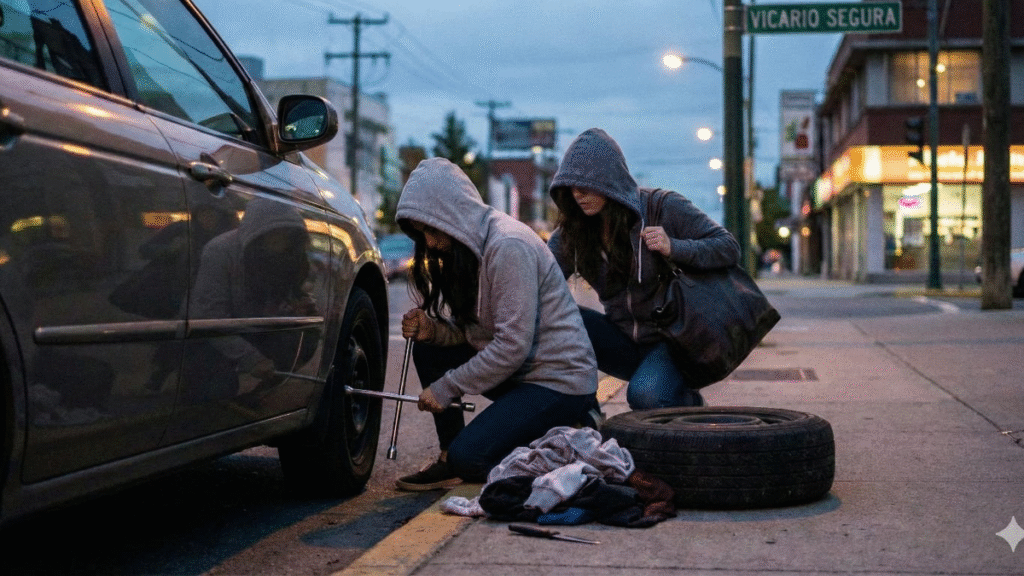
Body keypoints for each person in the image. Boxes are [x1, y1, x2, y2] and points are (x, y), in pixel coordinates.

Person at [394, 157, 600, 491]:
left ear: (454, 215)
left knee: (473, 459)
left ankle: (571, 429)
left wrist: (447, 387)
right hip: (519, 375)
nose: (429, 243)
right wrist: (434, 331)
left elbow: (511, 346)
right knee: (428, 347)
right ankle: (450, 459)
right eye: (422, 233)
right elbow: (475, 335)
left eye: (432, 229)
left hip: (558, 381)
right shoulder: (467, 251)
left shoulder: (508, 246)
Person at [547, 128, 741, 409]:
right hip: (623, 338)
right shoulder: (574, 232)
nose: (578, 194)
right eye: (570, 188)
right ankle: (583, 410)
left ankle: (685, 401)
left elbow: (728, 247)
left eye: (585, 185)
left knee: (645, 396)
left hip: (673, 340)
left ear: (607, 181)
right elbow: (540, 277)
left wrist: (674, 247)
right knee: (563, 316)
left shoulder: (661, 207)